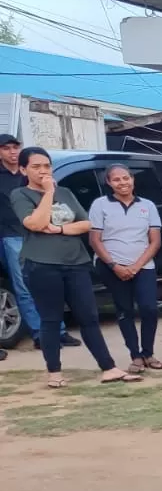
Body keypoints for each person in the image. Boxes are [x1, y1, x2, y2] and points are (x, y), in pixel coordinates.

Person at [10, 148, 137, 387]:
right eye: (36, 167)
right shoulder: (21, 194)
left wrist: (60, 229)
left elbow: (87, 222)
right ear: (24, 169)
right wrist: (48, 193)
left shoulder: (65, 192)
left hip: (76, 262)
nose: (43, 171)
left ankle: (108, 367)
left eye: (47, 166)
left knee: (89, 316)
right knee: (51, 318)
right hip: (42, 263)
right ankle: (54, 372)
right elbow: (34, 223)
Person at [87, 164, 162, 372]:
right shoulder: (100, 204)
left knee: (149, 308)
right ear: (109, 183)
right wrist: (114, 265)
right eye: (116, 180)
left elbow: (155, 241)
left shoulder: (147, 205)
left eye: (126, 178)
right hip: (111, 266)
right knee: (125, 309)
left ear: (133, 179)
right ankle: (136, 356)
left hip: (143, 265)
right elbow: (95, 240)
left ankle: (148, 352)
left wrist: (136, 266)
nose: (122, 183)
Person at [0, 132, 72, 356]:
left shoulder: (33, 173)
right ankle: (40, 333)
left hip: (42, 232)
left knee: (49, 283)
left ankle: (58, 331)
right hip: (12, 235)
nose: (12, 152)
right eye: (6, 148)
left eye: (15, 147)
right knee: (24, 286)